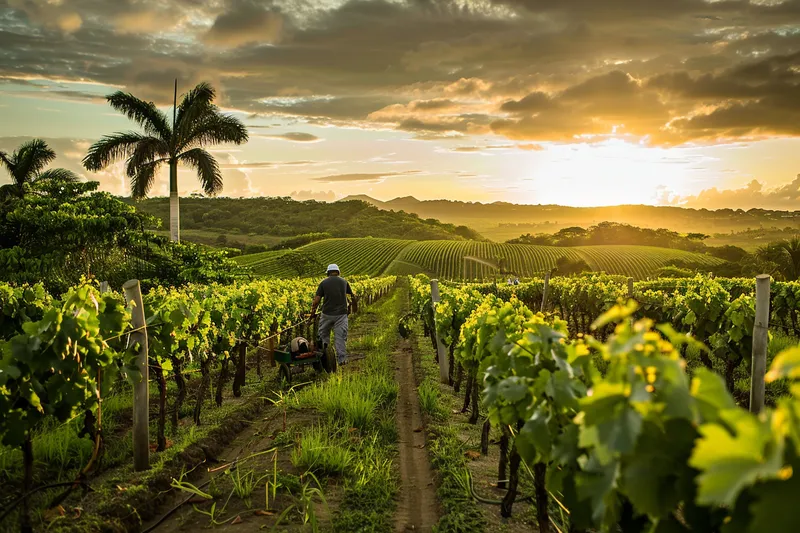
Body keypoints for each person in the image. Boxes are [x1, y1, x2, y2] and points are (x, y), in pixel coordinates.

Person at [310, 264, 355, 366]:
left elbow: (316, 301)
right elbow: (351, 296)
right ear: (338, 272)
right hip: (341, 315)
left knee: (323, 336)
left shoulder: (323, 283)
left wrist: (312, 313)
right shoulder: (344, 282)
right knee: (340, 337)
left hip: (327, 314)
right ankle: (342, 360)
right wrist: (350, 308)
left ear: (328, 272)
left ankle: (324, 359)